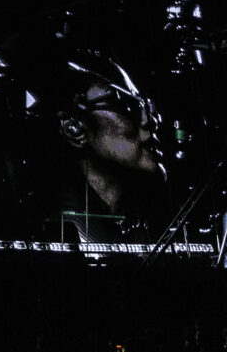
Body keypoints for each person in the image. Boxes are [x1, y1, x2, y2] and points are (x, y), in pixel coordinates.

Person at [45, 55, 167, 240]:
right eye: (126, 104)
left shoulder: (146, 224)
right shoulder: (55, 225)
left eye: (148, 106)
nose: (150, 120)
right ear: (74, 129)